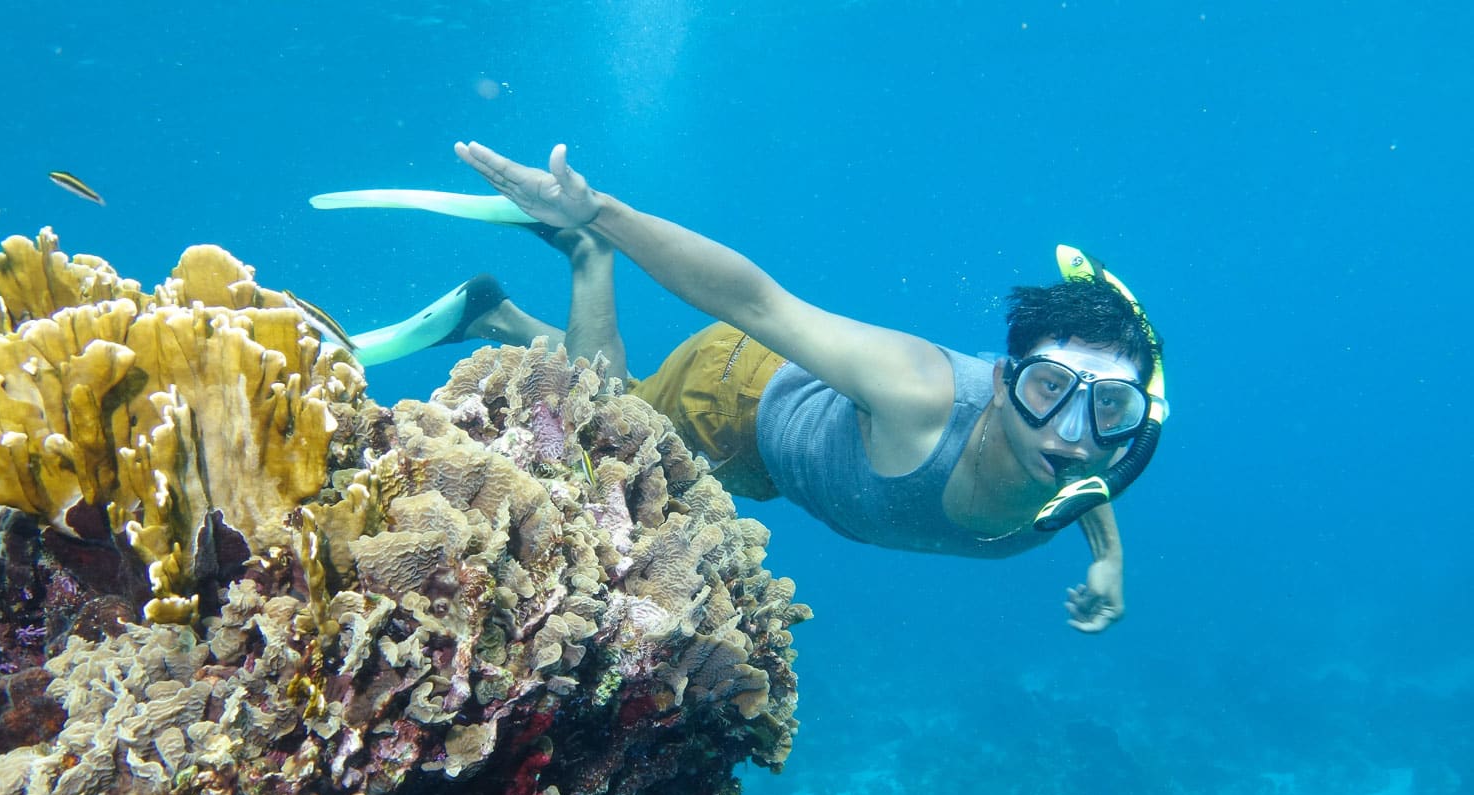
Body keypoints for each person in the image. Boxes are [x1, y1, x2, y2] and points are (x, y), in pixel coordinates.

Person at [353, 143, 1168, 633]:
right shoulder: (918, 395)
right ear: (1001, 382)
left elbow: (1085, 475)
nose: (1070, 432)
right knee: (595, 420)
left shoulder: (1078, 462)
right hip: (736, 393)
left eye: (1109, 409)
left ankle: (495, 316)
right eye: (1049, 388)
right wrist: (600, 212)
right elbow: (756, 301)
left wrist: (1112, 563)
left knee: (620, 408)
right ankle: (581, 255)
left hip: (772, 470)